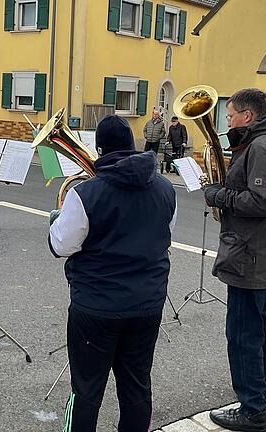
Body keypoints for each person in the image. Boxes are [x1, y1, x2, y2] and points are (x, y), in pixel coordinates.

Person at [49, 115, 177, 432]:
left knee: (86, 391)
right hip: (147, 304)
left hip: (96, 307)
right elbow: (165, 235)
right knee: (136, 387)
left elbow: (61, 245)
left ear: (100, 149)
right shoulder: (165, 187)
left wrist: (56, 217)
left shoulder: (84, 193)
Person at [202, 88, 266, 432]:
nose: (227, 122)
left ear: (248, 116)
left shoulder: (263, 147)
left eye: (230, 116)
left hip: (251, 258)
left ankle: (252, 411)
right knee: (263, 330)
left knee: (243, 337)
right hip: (263, 256)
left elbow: (265, 201)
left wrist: (218, 194)